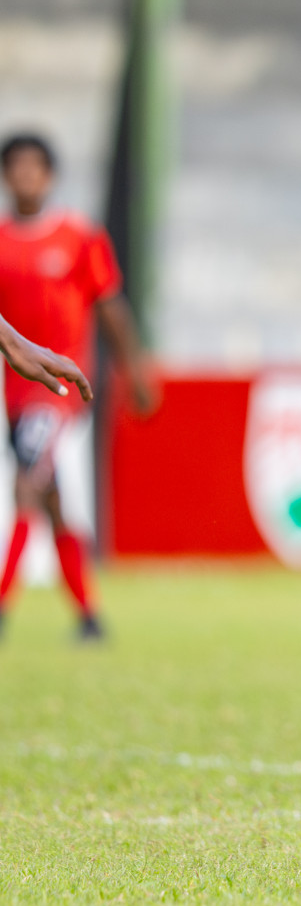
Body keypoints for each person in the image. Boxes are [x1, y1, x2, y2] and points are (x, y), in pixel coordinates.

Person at [0, 133, 156, 641]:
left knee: (27, 485)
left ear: (50, 176)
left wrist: (135, 369)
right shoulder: (1, 240)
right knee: (52, 499)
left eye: (34, 166)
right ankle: (89, 616)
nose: (25, 175)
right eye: (15, 166)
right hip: (15, 393)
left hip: (61, 389)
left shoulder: (78, 237)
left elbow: (110, 306)